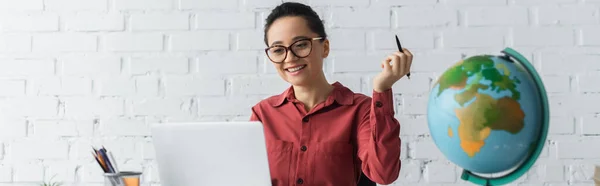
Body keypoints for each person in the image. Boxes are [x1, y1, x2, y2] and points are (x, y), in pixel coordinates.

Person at [250, 2, 412, 186]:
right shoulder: (263, 114)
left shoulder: (360, 110)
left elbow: (384, 173)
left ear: (325, 47)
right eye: (278, 50)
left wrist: (382, 88)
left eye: (301, 45)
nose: (290, 57)